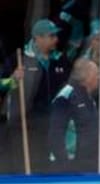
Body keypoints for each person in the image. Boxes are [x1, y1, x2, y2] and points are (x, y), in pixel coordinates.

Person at [12, 20, 72, 172]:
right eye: (51, 36)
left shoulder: (61, 59)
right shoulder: (19, 59)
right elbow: (4, 84)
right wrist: (13, 79)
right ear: (38, 38)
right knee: (27, 165)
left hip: (54, 123)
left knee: (50, 165)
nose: (56, 39)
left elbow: (68, 87)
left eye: (55, 36)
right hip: (26, 125)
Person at [47, 57, 99, 172]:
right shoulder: (66, 96)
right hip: (69, 166)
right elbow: (55, 133)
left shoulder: (89, 98)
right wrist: (65, 164)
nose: (99, 78)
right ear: (87, 76)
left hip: (87, 164)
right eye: (97, 74)